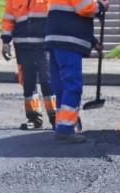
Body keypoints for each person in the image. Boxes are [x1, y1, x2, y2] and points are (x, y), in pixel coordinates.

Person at [45, 0, 109, 143]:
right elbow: (85, 8)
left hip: (56, 39)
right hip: (68, 42)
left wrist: (92, 41)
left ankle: (61, 125)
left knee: (61, 86)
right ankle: (66, 129)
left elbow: (70, 16)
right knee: (72, 85)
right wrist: (102, 6)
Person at [1, 0, 57, 129]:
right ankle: (34, 118)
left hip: (44, 46)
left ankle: (55, 117)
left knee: (47, 80)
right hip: (23, 47)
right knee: (28, 81)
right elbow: (8, 19)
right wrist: (5, 42)